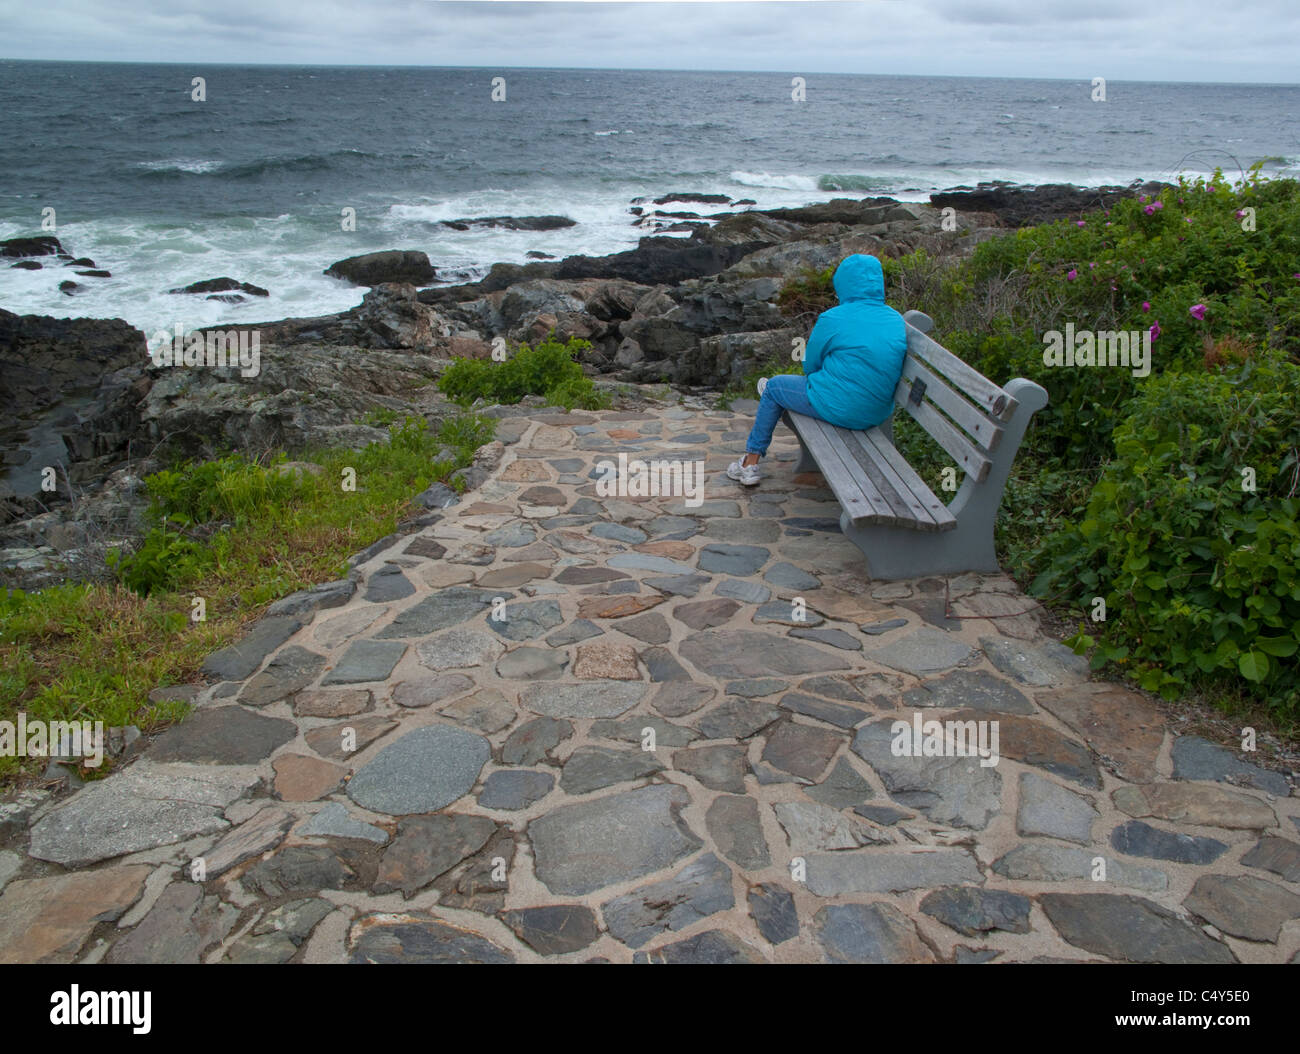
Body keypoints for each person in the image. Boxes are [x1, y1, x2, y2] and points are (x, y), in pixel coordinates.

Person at [728, 253, 908, 486]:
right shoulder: (895, 319)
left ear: (843, 283)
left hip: (840, 407)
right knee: (779, 389)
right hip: (875, 413)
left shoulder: (833, 318)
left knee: (773, 387)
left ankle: (749, 464)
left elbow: (810, 365)